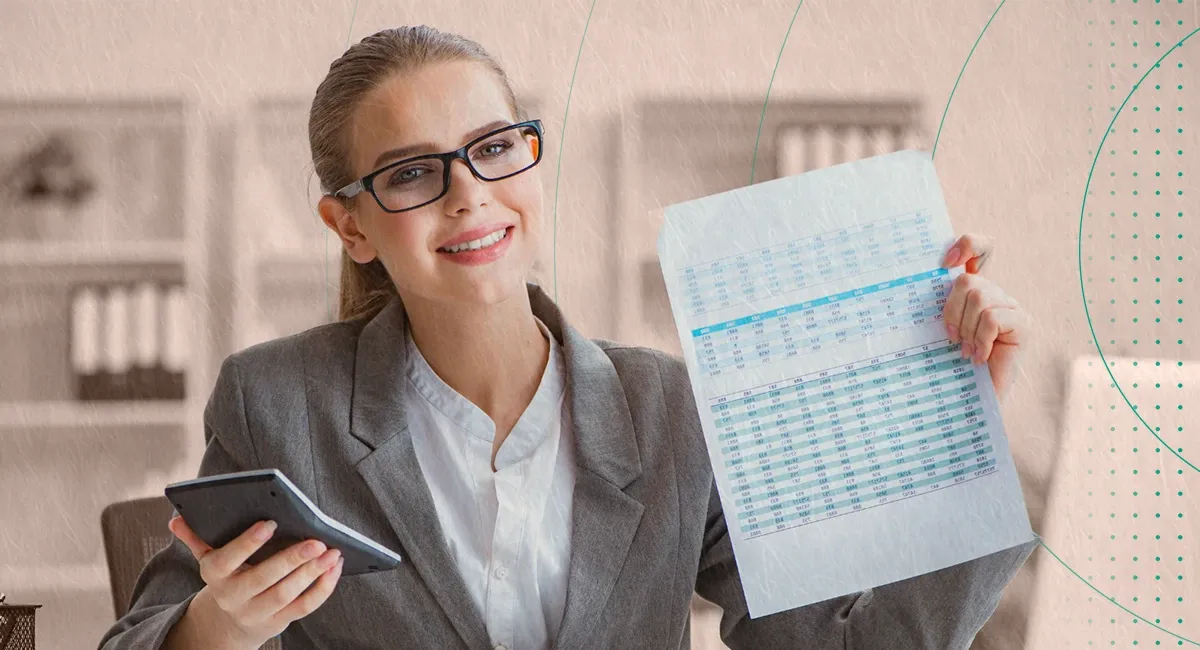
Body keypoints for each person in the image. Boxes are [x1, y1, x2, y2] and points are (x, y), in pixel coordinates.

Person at [99, 24, 1037, 650]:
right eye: (412, 173)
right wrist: (216, 627)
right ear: (350, 226)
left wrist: (967, 438)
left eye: (495, 147)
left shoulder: (669, 408)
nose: (469, 192)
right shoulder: (278, 403)